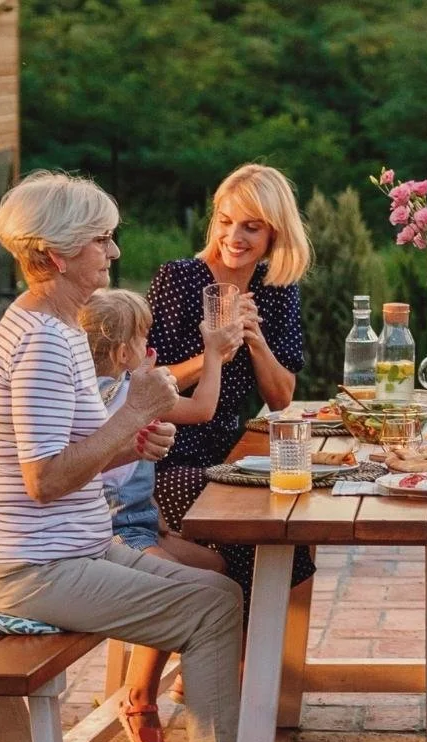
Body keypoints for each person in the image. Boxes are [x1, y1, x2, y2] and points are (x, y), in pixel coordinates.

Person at [0, 171, 316, 742]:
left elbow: (79, 451)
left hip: (75, 548)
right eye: (101, 239)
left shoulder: (58, 330)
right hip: (31, 566)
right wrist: (132, 414)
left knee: (220, 592)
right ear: (60, 255)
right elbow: (44, 481)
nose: (114, 252)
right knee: (213, 612)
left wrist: (134, 435)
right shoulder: (39, 343)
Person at [81, 288, 241, 742]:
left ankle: (193, 669)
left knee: (221, 568)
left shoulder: (131, 386)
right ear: (124, 350)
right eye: (144, 335)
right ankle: (138, 697)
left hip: (144, 522)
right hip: (116, 533)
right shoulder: (120, 394)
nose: (150, 343)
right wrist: (212, 353)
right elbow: (202, 409)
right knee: (178, 592)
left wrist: (159, 518)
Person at [146, 163, 316, 607]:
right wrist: (214, 354)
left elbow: (280, 397)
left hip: (229, 453)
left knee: (284, 534)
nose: (234, 236)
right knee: (246, 536)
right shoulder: (179, 280)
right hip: (166, 453)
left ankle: (242, 671)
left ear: (274, 235)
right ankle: (220, 673)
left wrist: (256, 341)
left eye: (251, 227)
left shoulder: (276, 288)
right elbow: (144, 384)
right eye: (225, 221)